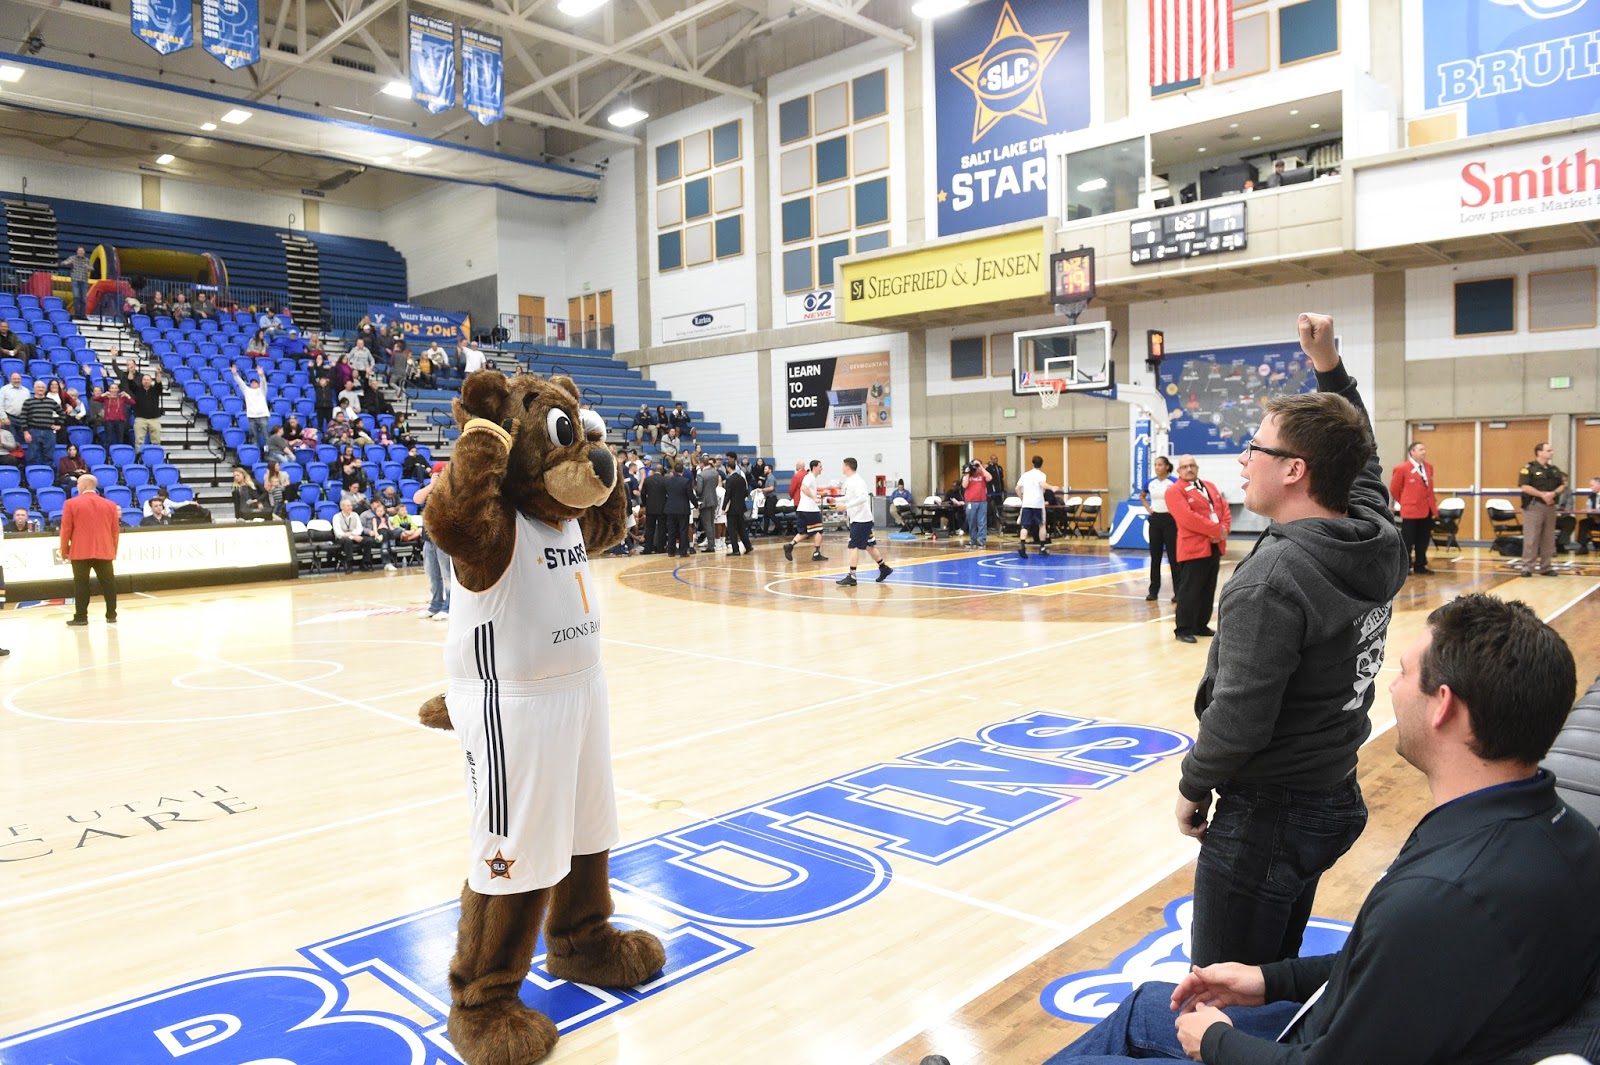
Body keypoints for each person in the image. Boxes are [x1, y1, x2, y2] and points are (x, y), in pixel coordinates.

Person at [1042, 594, 1600, 1065]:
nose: (1392, 688)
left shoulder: (1442, 896)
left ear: (1443, 707)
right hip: (1364, 1029)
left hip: (1318, 1047)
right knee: (1144, 1005)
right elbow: (1395, 967)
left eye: (1405, 673)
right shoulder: (1567, 837)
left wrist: (1215, 1042)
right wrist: (1271, 980)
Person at [1173, 312, 1409, 969]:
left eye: (1256, 448)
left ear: (1296, 470)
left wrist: (1193, 785)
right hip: (1331, 787)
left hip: (1268, 813)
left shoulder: (1271, 582)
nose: (1243, 459)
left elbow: (1240, 716)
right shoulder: (1375, 534)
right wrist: (1329, 366)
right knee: (1270, 974)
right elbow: (1362, 459)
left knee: (1221, 987)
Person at [1165, 456, 1229, 644]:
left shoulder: (1210, 486)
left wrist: (1224, 529)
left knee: (1208, 589)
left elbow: (1224, 508)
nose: (1189, 469)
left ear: (1197, 467)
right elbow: (1187, 518)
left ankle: (1200, 625)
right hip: (1193, 547)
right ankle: (1183, 628)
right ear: (1178, 471)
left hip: (1214, 545)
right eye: (1184, 466)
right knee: (1189, 590)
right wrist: (1215, 530)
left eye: (1192, 465)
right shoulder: (1174, 491)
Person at [60, 473, 121, 626]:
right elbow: (115, 531)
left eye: (78, 485)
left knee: (81, 585)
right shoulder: (110, 505)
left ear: (83, 485)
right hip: (104, 550)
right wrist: (113, 550)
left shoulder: (71, 504)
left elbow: (66, 529)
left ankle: (81, 617)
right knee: (109, 584)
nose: (77, 487)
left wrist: (64, 550)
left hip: (80, 551)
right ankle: (111, 614)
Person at [836, 458, 892, 586]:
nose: (842, 468)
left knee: (853, 546)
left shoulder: (857, 481)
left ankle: (852, 576)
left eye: (843, 465)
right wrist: (834, 500)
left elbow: (862, 498)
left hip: (861, 519)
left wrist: (846, 506)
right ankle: (884, 568)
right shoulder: (849, 481)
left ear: (847, 466)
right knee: (868, 545)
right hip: (859, 518)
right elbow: (849, 497)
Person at [1389, 441, 1438, 576]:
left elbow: (1429, 489)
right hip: (1410, 511)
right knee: (1408, 540)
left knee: (1423, 539)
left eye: (1424, 449)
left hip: (1426, 510)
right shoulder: (1402, 468)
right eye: (1421, 449)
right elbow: (1394, 489)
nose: (1424, 452)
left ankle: (1420, 565)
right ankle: (1406, 566)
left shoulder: (1428, 467)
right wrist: (1405, 501)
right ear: (1412, 452)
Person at [1518, 441, 1566, 577]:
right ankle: (1527, 567)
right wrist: (1542, 495)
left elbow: (1562, 485)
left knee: (1548, 538)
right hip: (1534, 506)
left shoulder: (1554, 469)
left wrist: (1553, 493)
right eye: (1548, 450)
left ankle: (1546, 567)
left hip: (1550, 506)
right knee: (1532, 537)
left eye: (1551, 450)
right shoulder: (1529, 468)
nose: (1552, 452)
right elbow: (1524, 487)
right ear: (1539, 452)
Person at [1141, 455, 1179, 600]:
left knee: (1173, 557)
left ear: (1167, 467)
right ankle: (1153, 591)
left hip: (1170, 520)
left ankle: (1178, 592)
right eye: (1155, 465)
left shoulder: (1174, 482)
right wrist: (1148, 509)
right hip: (1155, 520)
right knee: (1155, 557)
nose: (1157, 467)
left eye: (1160, 465)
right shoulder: (1150, 483)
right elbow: (1142, 496)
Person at [416, 475, 451, 618]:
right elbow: (417, 499)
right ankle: (435, 605)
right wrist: (431, 486)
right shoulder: (429, 490)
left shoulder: (451, 488)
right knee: (433, 575)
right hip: (428, 540)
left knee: (447, 575)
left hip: (443, 540)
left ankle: (448, 607)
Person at [784, 459, 828, 563]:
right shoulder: (810, 477)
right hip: (810, 510)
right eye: (820, 466)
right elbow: (803, 488)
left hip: (802, 509)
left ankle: (790, 545)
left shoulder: (810, 478)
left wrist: (820, 494)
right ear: (814, 467)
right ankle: (817, 553)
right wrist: (814, 498)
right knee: (818, 530)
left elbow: (808, 490)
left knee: (804, 532)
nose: (822, 469)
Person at [1016, 456, 1058, 559]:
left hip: (1026, 504)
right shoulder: (1041, 475)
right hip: (1038, 504)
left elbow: (1017, 488)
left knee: (1025, 526)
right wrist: (1052, 487)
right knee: (1042, 525)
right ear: (1041, 464)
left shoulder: (1025, 475)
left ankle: (1022, 545)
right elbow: (1042, 484)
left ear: (1032, 463)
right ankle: (1042, 547)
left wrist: (1022, 498)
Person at [20, 380, 62, 468]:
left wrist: (59, 425)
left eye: (43, 387)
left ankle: (48, 473)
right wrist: (26, 432)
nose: (41, 389)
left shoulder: (51, 401)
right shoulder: (28, 402)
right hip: (33, 431)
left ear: (45, 389)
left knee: (49, 456)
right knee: (33, 456)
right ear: (34, 389)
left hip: (48, 432)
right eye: (39, 387)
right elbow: (23, 418)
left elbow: (62, 413)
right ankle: (33, 473)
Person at [122, 362, 164, 446]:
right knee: (139, 441)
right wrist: (130, 371)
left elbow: (159, 382)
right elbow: (130, 382)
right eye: (144, 379)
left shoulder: (155, 390)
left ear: (151, 381)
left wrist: (158, 373)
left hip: (154, 419)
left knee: (156, 441)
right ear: (142, 381)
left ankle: (154, 454)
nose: (146, 381)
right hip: (140, 418)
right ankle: (139, 454)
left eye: (148, 380)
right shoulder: (137, 390)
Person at [231, 365, 271, 452]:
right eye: (252, 383)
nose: (253, 384)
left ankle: (268, 452)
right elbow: (240, 383)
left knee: (266, 435)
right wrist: (235, 374)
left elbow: (264, 383)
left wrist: (261, 375)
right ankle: (255, 452)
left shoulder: (262, 391)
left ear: (258, 384)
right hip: (251, 417)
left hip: (263, 416)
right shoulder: (247, 391)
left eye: (255, 382)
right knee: (254, 436)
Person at [332, 497, 374, 571]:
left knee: (369, 540)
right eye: (348, 506)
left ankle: (365, 562)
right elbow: (338, 533)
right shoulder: (336, 517)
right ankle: (349, 563)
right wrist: (352, 537)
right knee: (348, 541)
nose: (350, 507)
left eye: (351, 505)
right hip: (341, 539)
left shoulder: (355, 515)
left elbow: (359, 529)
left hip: (355, 536)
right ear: (342, 507)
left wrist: (352, 534)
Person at [723, 454, 752, 556]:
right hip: (741, 507)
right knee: (741, 528)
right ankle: (748, 546)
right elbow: (745, 492)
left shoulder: (729, 480)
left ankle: (735, 550)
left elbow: (728, 495)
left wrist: (723, 508)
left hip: (732, 508)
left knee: (732, 530)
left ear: (728, 468)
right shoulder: (741, 478)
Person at [663, 459, 693, 557]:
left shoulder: (668, 481)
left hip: (670, 508)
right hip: (683, 509)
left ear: (674, 471)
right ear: (682, 471)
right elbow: (690, 495)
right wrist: (696, 504)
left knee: (671, 530)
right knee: (683, 530)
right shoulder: (686, 481)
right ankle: (682, 551)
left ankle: (671, 551)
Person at [962, 459, 992, 547]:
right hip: (971, 502)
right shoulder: (967, 474)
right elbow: (964, 485)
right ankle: (973, 540)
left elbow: (989, 478)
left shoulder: (982, 474)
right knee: (972, 522)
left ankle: (981, 541)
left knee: (982, 522)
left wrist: (981, 468)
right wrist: (967, 473)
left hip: (982, 501)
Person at [694, 456, 721, 553]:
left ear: (702, 463)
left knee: (707, 524)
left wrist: (695, 489)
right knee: (711, 523)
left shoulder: (701, 475)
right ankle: (712, 543)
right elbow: (716, 485)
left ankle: (710, 545)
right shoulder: (715, 473)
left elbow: (700, 490)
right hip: (713, 499)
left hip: (704, 501)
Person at [61, 246, 91, 315]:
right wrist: (69, 262)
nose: (81, 252)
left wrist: (88, 267)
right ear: (77, 252)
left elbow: (92, 269)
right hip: (75, 280)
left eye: (82, 251)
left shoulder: (87, 260)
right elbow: (62, 263)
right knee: (76, 297)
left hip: (84, 281)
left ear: (84, 252)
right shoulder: (73, 258)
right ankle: (77, 313)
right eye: (79, 251)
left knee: (83, 299)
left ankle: (82, 314)